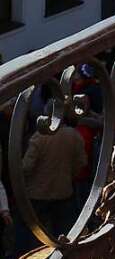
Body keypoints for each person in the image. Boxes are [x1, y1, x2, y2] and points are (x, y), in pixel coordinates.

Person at [21, 104, 86, 245]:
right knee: (63, 235)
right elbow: (81, 162)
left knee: (34, 234)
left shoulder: (39, 137)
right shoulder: (73, 135)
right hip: (63, 191)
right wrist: (69, 176)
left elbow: (26, 167)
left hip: (37, 194)